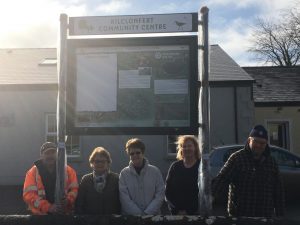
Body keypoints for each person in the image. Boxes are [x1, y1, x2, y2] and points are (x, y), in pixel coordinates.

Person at [211, 125, 285, 217]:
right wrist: (210, 199)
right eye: (256, 141)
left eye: (262, 143)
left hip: (265, 217)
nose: (258, 145)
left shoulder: (271, 162)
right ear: (249, 140)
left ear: (266, 144)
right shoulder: (237, 158)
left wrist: (280, 216)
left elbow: (278, 190)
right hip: (240, 216)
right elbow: (222, 179)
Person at [23, 142, 78, 215]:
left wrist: (68, 200)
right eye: (47, 153)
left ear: (57, 154)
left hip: (63, 215)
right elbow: (28, 195)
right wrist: (48, 207)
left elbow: (74, 190)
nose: (50, 156)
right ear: (41, 155)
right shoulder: (32, 173)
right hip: (40, 217)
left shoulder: (68, 171)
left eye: (53, 152)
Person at [119, 138, 165, 215]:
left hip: (153, 218)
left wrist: (147, 213)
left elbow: (160, 194)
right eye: (132, 153)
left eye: (138, 152)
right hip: (131, 219)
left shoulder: (155, 171)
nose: (135, 155)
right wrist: (139, 215)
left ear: (143, 153)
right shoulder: (124, 174)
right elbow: (124, 198)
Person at [75, 147, 120, 214]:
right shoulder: (85, 180)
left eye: (103, 161)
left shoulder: (116, 179)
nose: (100, 164)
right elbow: (79, 204)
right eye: (97, 161)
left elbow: (121, 203)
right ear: (92, 163)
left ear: (108, 163)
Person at [165, 135, 201, 215]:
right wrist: (176, 210)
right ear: (181, 149)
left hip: (196, 214)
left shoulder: (201, 167)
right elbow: (168, 191)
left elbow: (205, 193)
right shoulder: (175, 166)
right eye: (184, 146)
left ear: (195, 148)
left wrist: (189, 211)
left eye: (189, 146)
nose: (187, 148)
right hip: (176, 214)